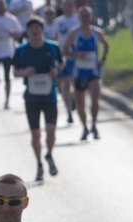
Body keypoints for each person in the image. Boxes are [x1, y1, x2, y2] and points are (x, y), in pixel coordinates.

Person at [13, 16, 64, 181]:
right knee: (36, 135)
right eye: (31, 28)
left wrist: (56, 71)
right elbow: (15, 72)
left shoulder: (53, 47)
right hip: (32, 98)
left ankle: (49, 154)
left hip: (50, 96)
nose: (34, 31)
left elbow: (61, 63)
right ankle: (39, 164)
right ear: (27, 32)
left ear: (42, 30)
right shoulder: (21, 50)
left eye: (37, 28)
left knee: (50, 132)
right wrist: (25, 72)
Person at [62, 6, 109, 141]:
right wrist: (76, 54)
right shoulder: (74, 33)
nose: (85, 18)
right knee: (80, 104)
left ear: (91, 17)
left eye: (87, 16)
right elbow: (64, 50)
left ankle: (94, 125)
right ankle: (84, 127)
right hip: (79, 73)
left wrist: (103, 59)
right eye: (83, 16)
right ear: (79, 18)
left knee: (95, 97)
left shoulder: (97, 32)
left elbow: (106, 45)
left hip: (93, 71)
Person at [0, 0, 22, 109]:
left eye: (2, 5)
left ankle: (7, 99)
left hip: (7, 52)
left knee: (7, 77)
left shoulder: (11, 19)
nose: (1, 7)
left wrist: (13, 34)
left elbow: (19, 32)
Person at [55, 0, 79, 124]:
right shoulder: (58, 22)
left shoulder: (78, 19)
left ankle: (73, 97)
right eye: (65, 5)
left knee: (77, 85)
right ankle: (69, 112)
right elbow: (54, 38)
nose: (67, 7)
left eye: (69, 4)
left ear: (73, 6)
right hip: (63, 58)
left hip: (77, 57)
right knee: (65, 86)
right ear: (61, 6)